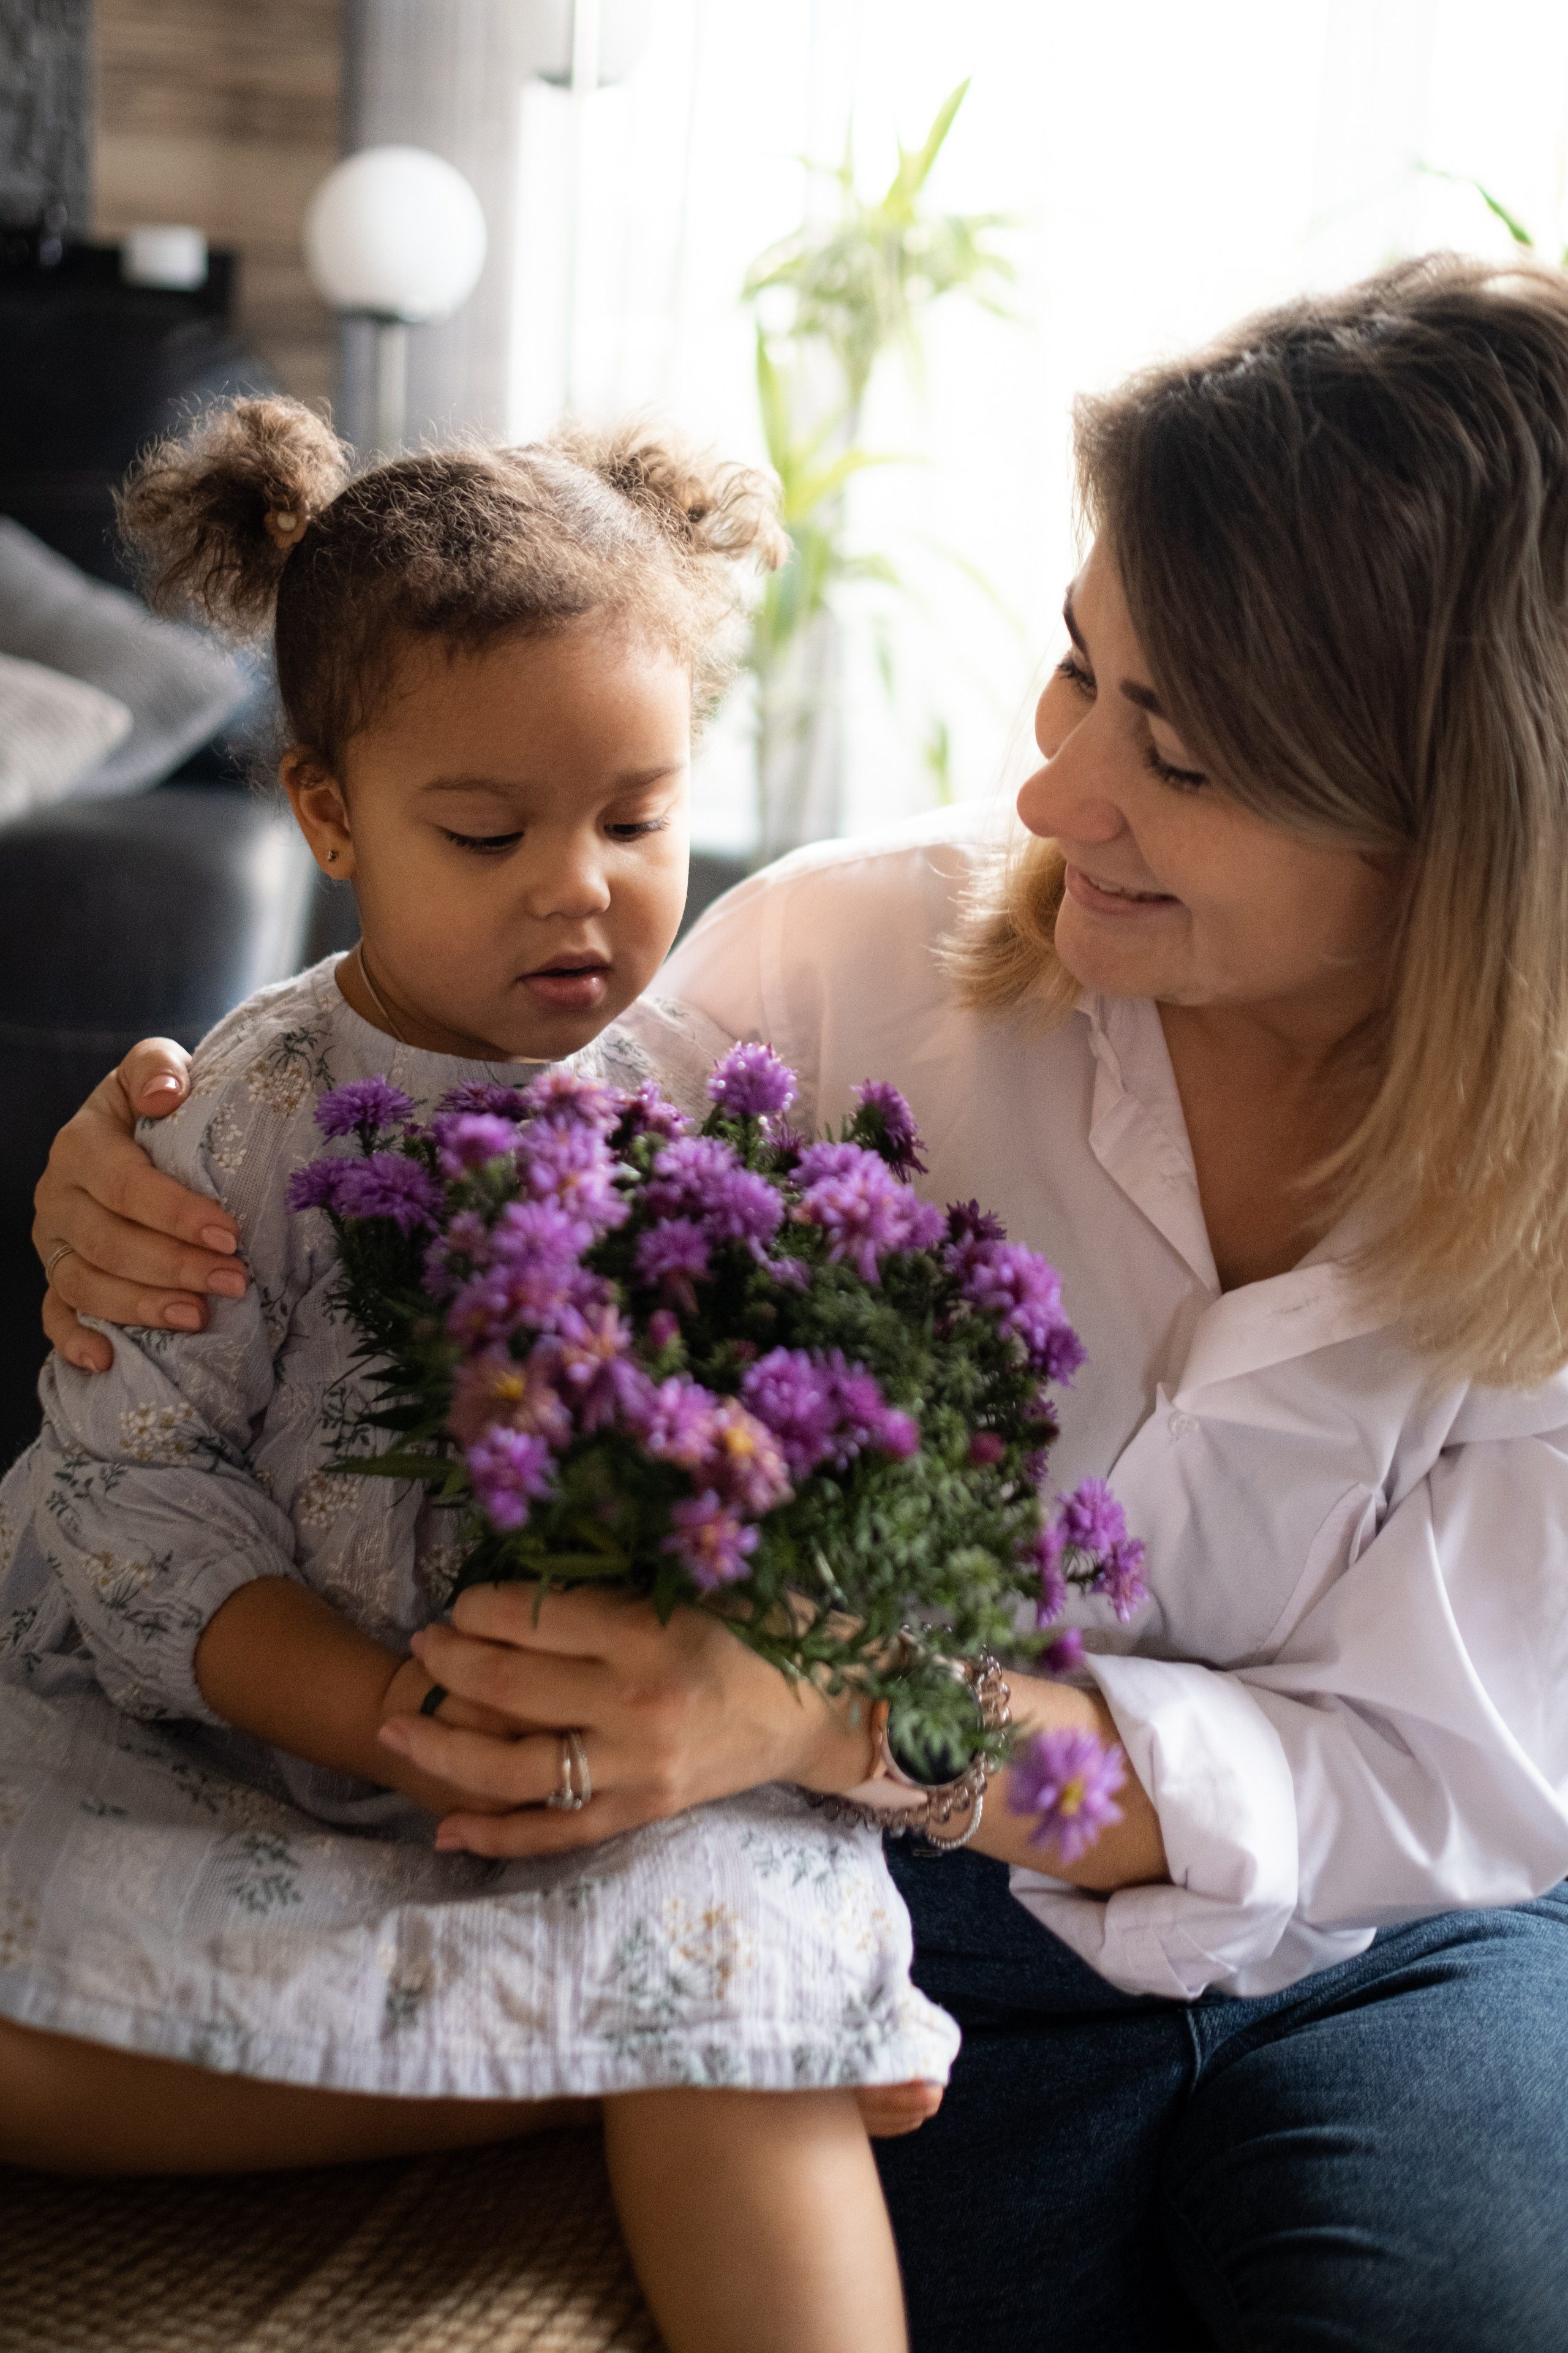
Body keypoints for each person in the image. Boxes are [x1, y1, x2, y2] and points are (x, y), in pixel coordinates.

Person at [27, 253, 1568, 2350]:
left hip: (1398, 1949)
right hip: (914, 1918)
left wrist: (838, 1696)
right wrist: (137, 1159)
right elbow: (451, 1148)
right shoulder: (855, 963)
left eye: (1182, 761)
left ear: (1462, 835)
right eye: (1073, 670)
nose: (1052, 796)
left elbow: (1405, 1796)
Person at [0, 397, 968, 2353]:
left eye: (637, 818)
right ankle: (564, 2051)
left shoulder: (705, 1092)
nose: (581, 889)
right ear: (330, 813)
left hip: (621, 1764)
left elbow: (795, 1448)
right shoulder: (245, 1117)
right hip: (247, 1745)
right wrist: (379, 1714)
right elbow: (136, 1491)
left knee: (755, 2006)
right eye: (486, 831)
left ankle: (668, 2031)